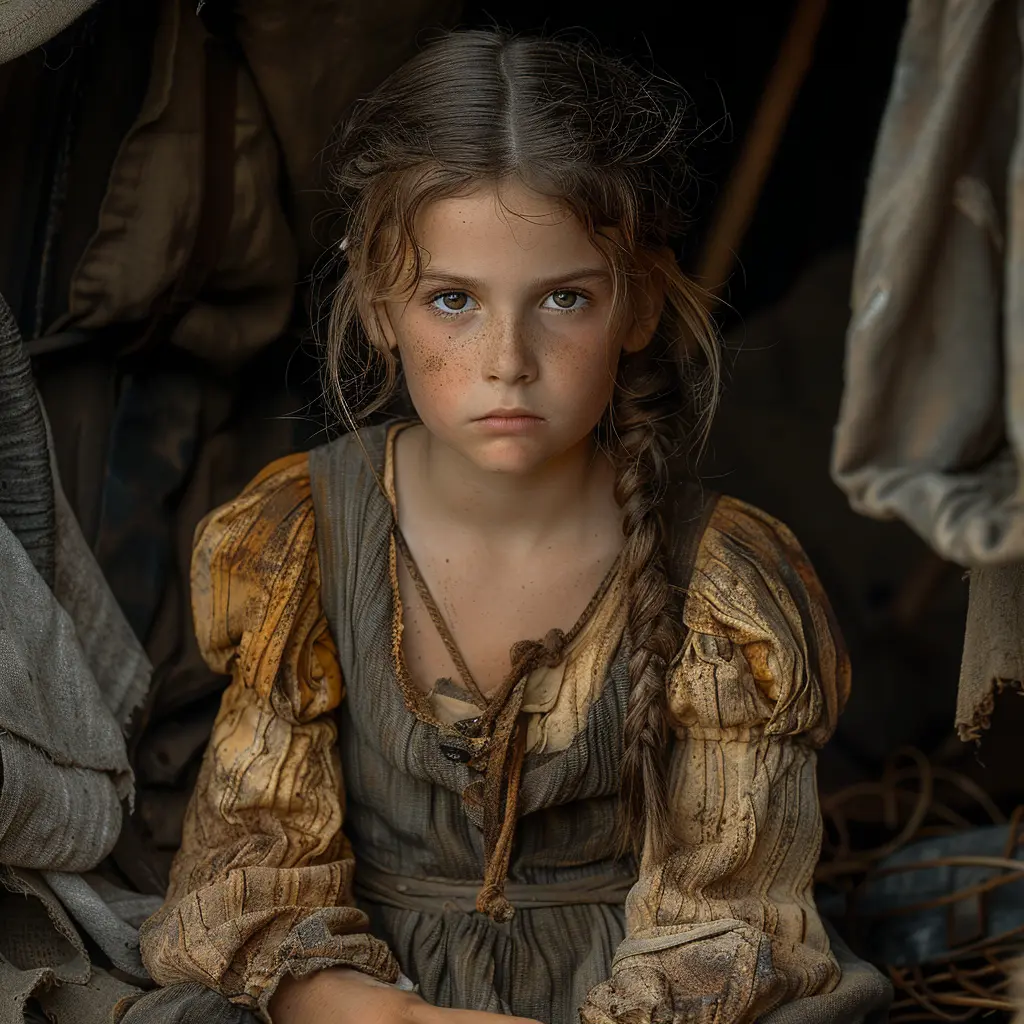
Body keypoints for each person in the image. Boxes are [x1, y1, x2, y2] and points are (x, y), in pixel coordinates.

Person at [138, 28, 859, 1024]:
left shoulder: (722, 575)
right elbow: (247, 871)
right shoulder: (305, 534)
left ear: (639, 304)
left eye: (564, 298)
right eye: (452, 301)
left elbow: (734, 918)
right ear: (381, 306)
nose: (506, 358)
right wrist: (396, 1016)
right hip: (359, 1006)